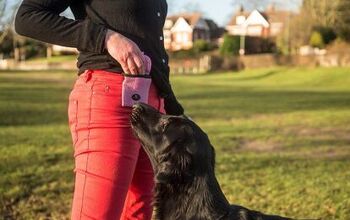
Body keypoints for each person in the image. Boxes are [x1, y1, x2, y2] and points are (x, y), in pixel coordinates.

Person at [14, 0, 184, 219]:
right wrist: (105, 37)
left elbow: (152, 45)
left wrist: (171, 107)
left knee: (138, 211)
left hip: (152, 107)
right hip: (108, 99)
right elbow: (27, 17)